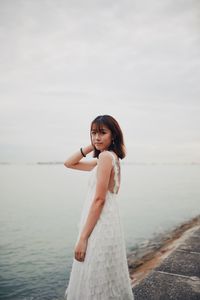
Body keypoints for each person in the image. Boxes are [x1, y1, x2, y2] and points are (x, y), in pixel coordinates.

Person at [64, 115, 134, 299]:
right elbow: (68, 163)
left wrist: (83, 238)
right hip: (109, 223)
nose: (97, 137)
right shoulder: (111, 158)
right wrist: (90, 146)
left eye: (103, 133)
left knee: (94, 276)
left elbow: (99, 200)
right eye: (93, 133)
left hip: (100, 224)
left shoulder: (104, 158)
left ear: (114, 135)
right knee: (105, 277)